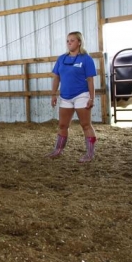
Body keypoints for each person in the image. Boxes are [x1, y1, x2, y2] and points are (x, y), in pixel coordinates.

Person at [47, 31, 98, 163]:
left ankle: (90, 153)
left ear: (79, 42)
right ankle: (58, 150)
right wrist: (53, 94)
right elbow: (56, 77)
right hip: (65, 96)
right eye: (68, 41)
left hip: (82, 95)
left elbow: (90, 80)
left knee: (86, 125)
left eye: (72, 40)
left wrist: (91, 98)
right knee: (62, 125)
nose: (69, 43)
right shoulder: (61, 59)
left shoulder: (86, 59)